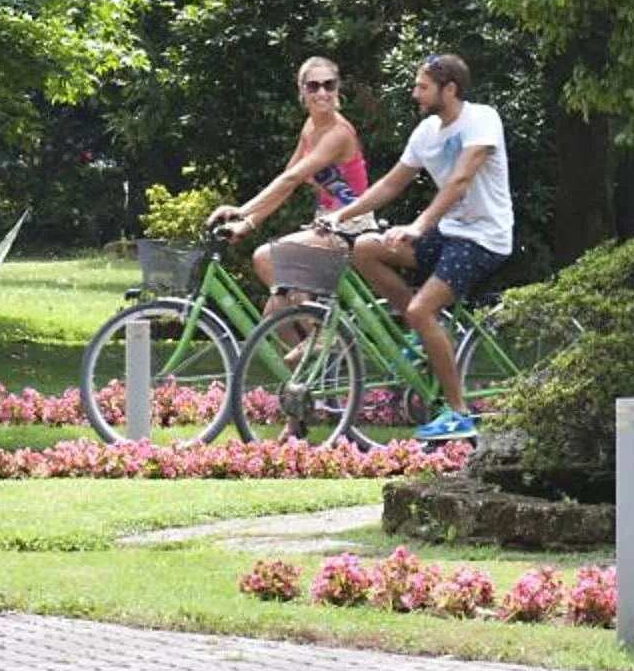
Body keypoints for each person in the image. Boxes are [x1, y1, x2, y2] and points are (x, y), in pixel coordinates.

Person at [334, 53, 511, 440]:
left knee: (420, 308)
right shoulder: (426, 133)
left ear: (450, 89)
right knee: (364, 248)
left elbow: (461, 179)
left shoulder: (481, 119)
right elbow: (390, 184)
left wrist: (418, 224)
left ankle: (459, 413)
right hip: (447, 233)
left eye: (422, 86)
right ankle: (426, 329)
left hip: (483, 238)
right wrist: (341, 217)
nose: (414, 93)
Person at [209, 57, 369, 309]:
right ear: (302, 92)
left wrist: (241, 210)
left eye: (329, 85)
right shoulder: (310, 127)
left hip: (351, 227)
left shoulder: (339, 133)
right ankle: (303, 344)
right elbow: (286, 181)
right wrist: (248, 223)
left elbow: (291, 178)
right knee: (274, 312)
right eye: (313, 86)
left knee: (265, 258)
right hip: (326, 224)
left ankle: (320, 335)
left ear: (338, 89)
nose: (322, 93)